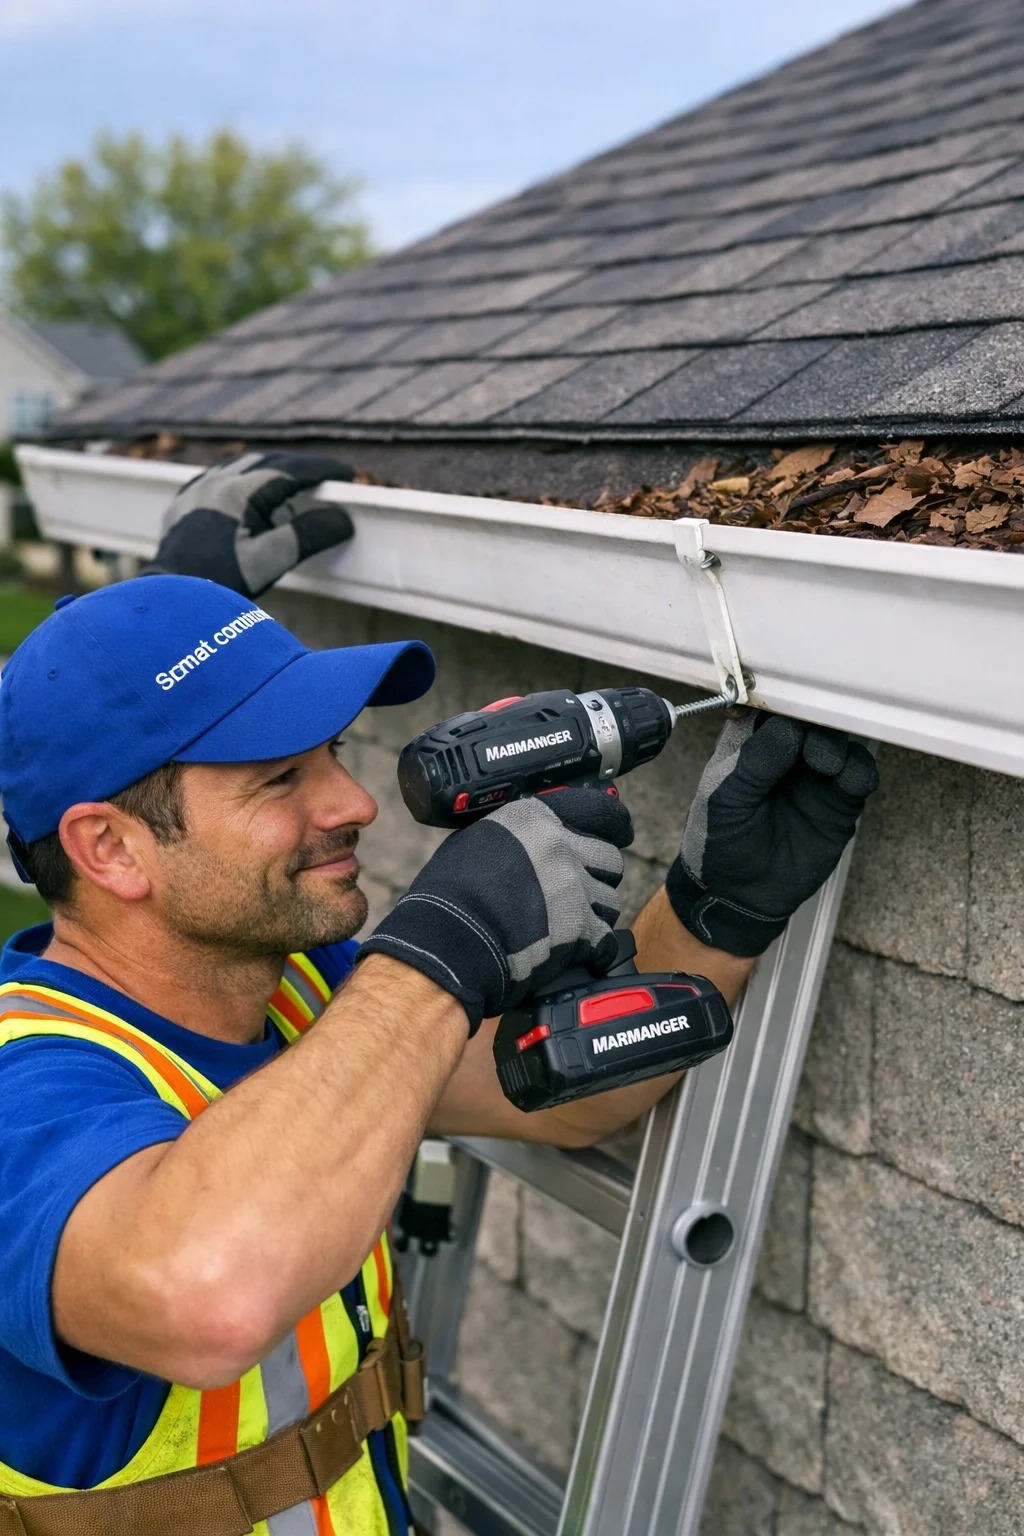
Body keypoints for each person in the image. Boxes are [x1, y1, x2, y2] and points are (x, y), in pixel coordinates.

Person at [0, 454, 878, 1535]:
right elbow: (207, 1292)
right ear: (109, 849)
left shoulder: (292, 1007)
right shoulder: (27, 1089)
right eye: (279, 779)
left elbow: (563, 1096)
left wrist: (716, 911)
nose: (356, 801)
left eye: (327, 754)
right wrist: (437, 950)